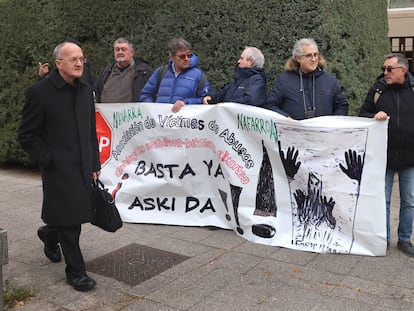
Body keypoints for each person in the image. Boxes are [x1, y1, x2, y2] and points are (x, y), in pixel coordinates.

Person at [18, 41, 101, 291]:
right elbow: (27, 135)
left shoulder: (86, 89)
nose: (78, 63)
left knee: (75, 213)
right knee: (71, 221)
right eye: (73, 59)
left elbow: (90, 131)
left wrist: (94, 161)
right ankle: (76, 272)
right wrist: (50, 159)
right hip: (57, 168)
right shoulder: (40, 92)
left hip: (83, 165)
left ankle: (49, 233)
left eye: (81, 59)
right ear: (58, 64)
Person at [359, 53, 414, 256]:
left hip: (410, 157)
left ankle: (404, 239)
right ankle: (383, 238)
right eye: (384, 68)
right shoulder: (378, 89)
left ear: (403, 71)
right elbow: (362, 115)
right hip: (384, 156)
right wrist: (373, 116)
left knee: (409, 200)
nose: (385, 72)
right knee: (383, 200)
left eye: (389, 69)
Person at [264, 38, 348, 119]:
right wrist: (286, 118)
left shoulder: (330, 80)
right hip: (293, 132)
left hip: (323, 132)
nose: (314, 59)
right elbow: (270, 105)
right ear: (298, 58)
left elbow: (342, 105)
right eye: (309, 55)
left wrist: (332, 123)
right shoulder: (285, 80)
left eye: (315, 55)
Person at [140, 37, 210, 112]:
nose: (186, 59)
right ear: (172, 57)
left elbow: (205, 100)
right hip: (160, 120)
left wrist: (185, 102)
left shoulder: (198, 75)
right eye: (182, 56)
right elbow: (146, 94)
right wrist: (152, 109)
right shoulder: (161, 72)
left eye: (189, 55)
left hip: (186, 121)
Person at [202, 46, 267, 106]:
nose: (238, 61)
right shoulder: (239, 78)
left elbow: (249, 101)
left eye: (241, 58)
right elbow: (223, 94)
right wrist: (211, 97)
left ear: (251, 62)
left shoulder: (257, 80)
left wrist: (227, 105)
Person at [95, 37, 152, 103]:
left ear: (131, 52)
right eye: (117, 49)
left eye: (123, 49)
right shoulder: (105, 72)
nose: (120, 52)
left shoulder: (143, 72)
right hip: (106, 113)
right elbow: (97, 92)